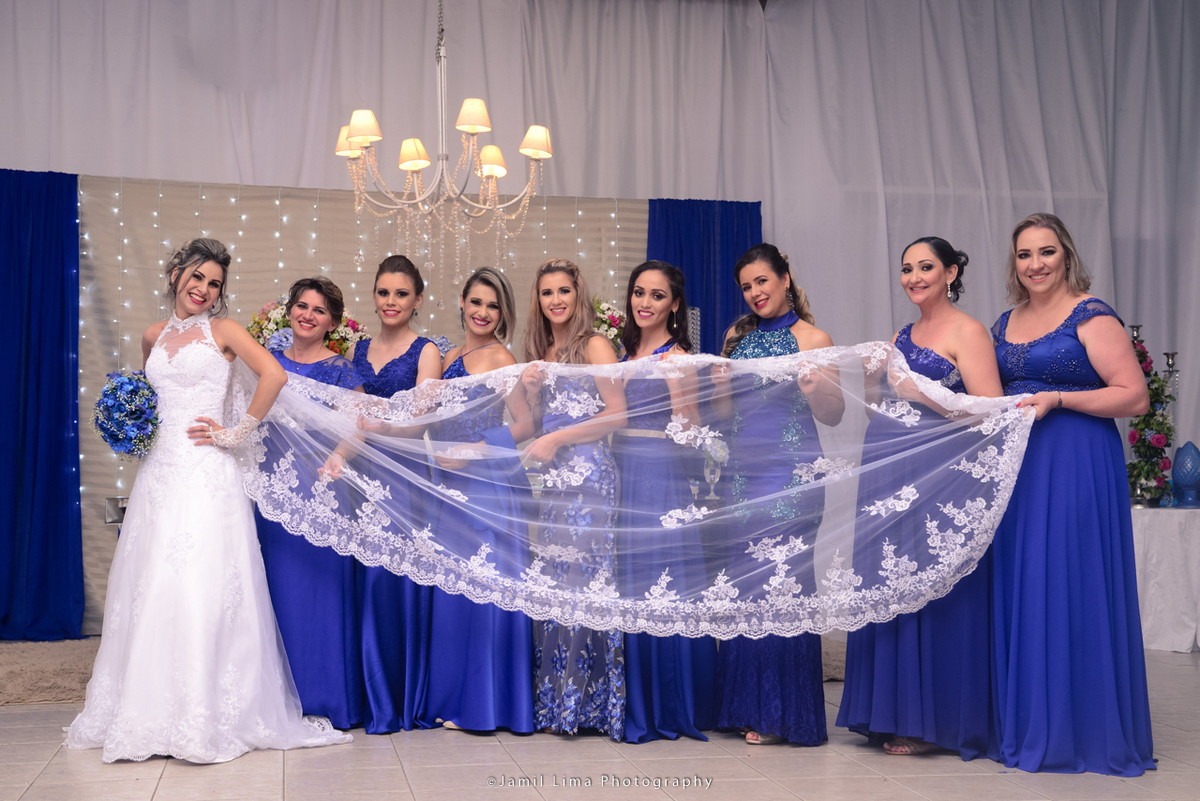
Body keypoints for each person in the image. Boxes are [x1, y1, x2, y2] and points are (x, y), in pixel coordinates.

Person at [66, 239, 351, 763]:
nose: (204, 289)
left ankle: (205, 713)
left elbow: (274, 375)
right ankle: (148, 711)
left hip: (207, 472)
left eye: (214, 283)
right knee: (153, 583)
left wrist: (237, 432)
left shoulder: (225, 331)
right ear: (176, 273)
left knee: (202, 582)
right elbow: (151, 401)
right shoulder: (151, 335)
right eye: (197, 277)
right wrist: (131, 429)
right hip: (159, 474)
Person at [989, 213, 1154, 776]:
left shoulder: (1091, 314)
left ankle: (1081, 728)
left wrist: (1059, 398)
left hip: (1077, 461)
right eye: (1024, 254)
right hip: (1020, 467)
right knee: (1026, 583)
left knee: (1069, 579)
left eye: (1046, 252)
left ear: (1066, 256)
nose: (1035, 264)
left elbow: (1134, 397)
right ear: (1014, 263)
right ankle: (1030, 721)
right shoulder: (1004, 322)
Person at [837, 237, 1002, 758]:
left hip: (935, 475)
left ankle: (926, 719)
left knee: (928, 582)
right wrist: (870, 382)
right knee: (887, 578)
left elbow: (992, 410)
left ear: (951, 272)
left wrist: (926, 394)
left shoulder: (968, 331)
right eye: (907, 269)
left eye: (925, 267)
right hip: (886, 468)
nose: (914, 277)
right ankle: (884, 712)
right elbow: (881, 407)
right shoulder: (900, 335)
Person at [710, 243, 844, 746]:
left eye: (762, 281)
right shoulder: (736, 338)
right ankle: (746, 707)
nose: (754, 293)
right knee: (745, 585)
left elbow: (834, 413)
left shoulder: (813, 338)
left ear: (785, 279)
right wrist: (717, 383)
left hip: (792, 475)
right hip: (741, 474)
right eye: (746, 286)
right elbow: (725, 414)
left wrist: (813, 387)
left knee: (783, 582)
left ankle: (782, 714)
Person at [419, 267, 536, 733]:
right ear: (462, 302)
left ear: (502, 313)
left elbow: (526, 424)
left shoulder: (501, 357)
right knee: (455, 592)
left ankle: (486, 705)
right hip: (448, 486)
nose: (483, 312)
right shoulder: (449, 356)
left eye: (493, 306)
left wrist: (476, 450)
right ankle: (453, 699)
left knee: (486, 588)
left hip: (486, 485)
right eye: (476, 302)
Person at [254, 276, 366, 730]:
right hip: (269, 490)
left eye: (319, 310)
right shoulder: (267, 361)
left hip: (320, 487)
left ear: (333, 323)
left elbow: (359, 426)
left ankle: (324, 696)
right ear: (289, 311)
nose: (308, 315)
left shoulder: (341, 371)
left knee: (316, 594)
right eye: (302, 306)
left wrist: (338, 456)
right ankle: (273, 699)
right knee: (272, 592)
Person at [522, 258, 627, 738]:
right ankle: (556, 705)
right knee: (557, 587)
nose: (556, 300)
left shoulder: (595, 345)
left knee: (587, 586)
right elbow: (538, 424)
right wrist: (532, 396)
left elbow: (618, 414)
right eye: (547, 292)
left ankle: (590, 707)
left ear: (578, 294)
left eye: (564, 290)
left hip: (590, 481)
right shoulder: (543, 351)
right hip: (555, 485)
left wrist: (557, 439)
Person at [615, 261, 717, 743]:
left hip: (658, 475)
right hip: (621, 472)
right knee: (629, 579)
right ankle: (629, 695)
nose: (645, 302)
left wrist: (681, 409)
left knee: (661, 578)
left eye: (657, 295)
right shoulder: (621, 352)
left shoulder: (677, 358)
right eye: (639, 292)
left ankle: (668, 703)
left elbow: (693, 433)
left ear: (675, 305)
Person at [347, 255, 443, 733]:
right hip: (361, 471)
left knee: (395, 577)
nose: (391, 301)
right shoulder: (358, 348)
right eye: (384, 292)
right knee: (365, 575)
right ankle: (368, 695)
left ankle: (400, 697)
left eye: (401, 294)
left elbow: (420, 419)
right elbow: (345, 409)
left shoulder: (427, 351)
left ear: (417, 300)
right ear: (374, 295)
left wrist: (380, 426)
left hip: (405, 475)